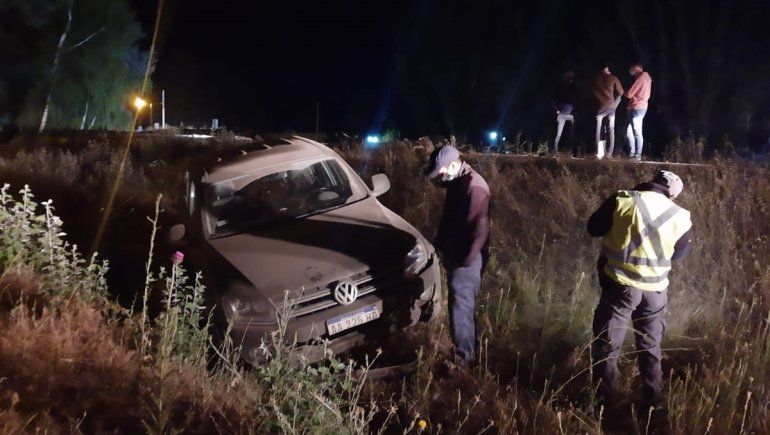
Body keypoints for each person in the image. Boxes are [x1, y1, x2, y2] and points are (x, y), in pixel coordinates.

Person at [587, 170, 692, 409]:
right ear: (673, 195)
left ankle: (604, 405)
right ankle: (653, 403)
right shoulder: (680, 215)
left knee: (608, 345)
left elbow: (594, 228)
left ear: (653, 182)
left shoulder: (622, 199)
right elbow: (679, 254)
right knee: (651, 347)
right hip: (655, 292)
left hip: (620, 288)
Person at [425, 145, 491, 366]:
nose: (439, 178)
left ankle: (464, 361)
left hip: (467, 259)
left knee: (461, 308)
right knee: (462, 306)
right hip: (458, 255)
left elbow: (480, 230)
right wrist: (439, 245)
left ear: (454, 165)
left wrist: (466, 260)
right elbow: (448, 219)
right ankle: (468, 353)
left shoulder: (474, 187)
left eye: (440, 172)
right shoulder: (457, 183)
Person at [589, 62, 624, 159]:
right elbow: (621, 92)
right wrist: (615, 103)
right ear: (606, 68)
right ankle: (609, 153)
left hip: (600, 107)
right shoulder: (613, 78)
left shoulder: (595, 79)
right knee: (611, 130)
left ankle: (599, 153)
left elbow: (590, 93)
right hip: (611, 107)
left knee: (598, 130)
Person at [625, 63, 653, 161]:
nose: (630, 70)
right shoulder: (646, 78)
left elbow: (629, 94)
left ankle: (637, 155)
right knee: (629, 131)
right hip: (640, 107)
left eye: (631, 68)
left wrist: (624, 92)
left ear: (637, 68)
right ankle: (633, 154)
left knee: (636, 131)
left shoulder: (641, 78)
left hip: (636, 107)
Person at [553, 70, 577, 153]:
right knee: (559, 134)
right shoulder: (561, 88)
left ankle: (569, 151)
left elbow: (575, 100)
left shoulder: (573, 88)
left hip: (569, 114)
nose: (571, 80)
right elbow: (554, 100)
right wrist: (557, 111)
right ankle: (556, 150)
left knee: (570, 133)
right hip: (562, 114)